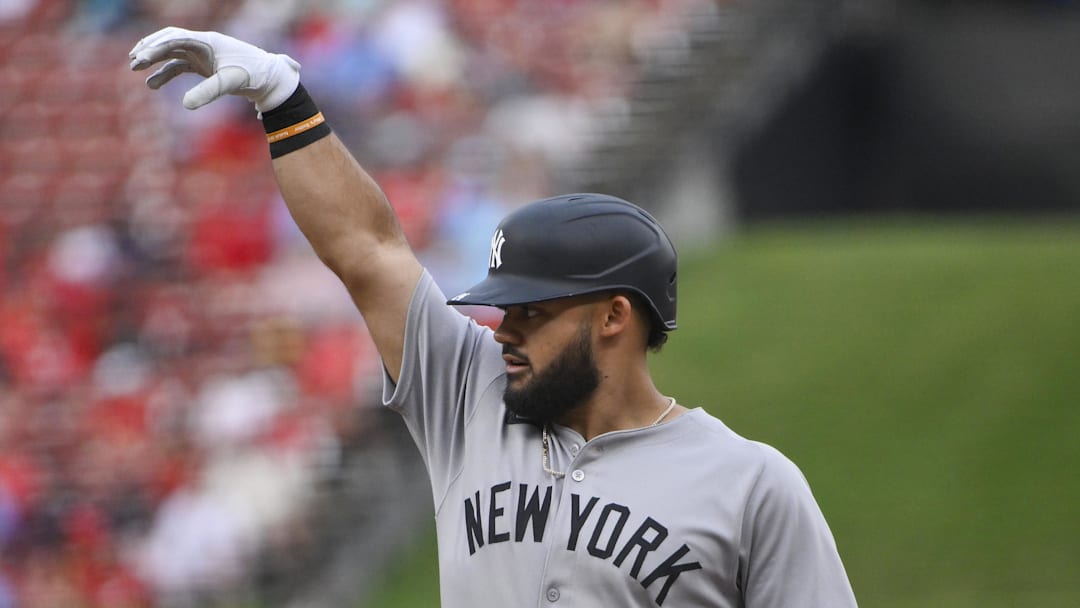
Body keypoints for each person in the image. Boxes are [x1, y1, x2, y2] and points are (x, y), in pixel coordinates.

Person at [130, 27, 858, 608]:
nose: (501, 330)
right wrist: (286, 101)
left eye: (530, 312)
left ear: (613, 317)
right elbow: (369, 253)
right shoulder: (468, 396)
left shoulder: (753, 487)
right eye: (502, 308)